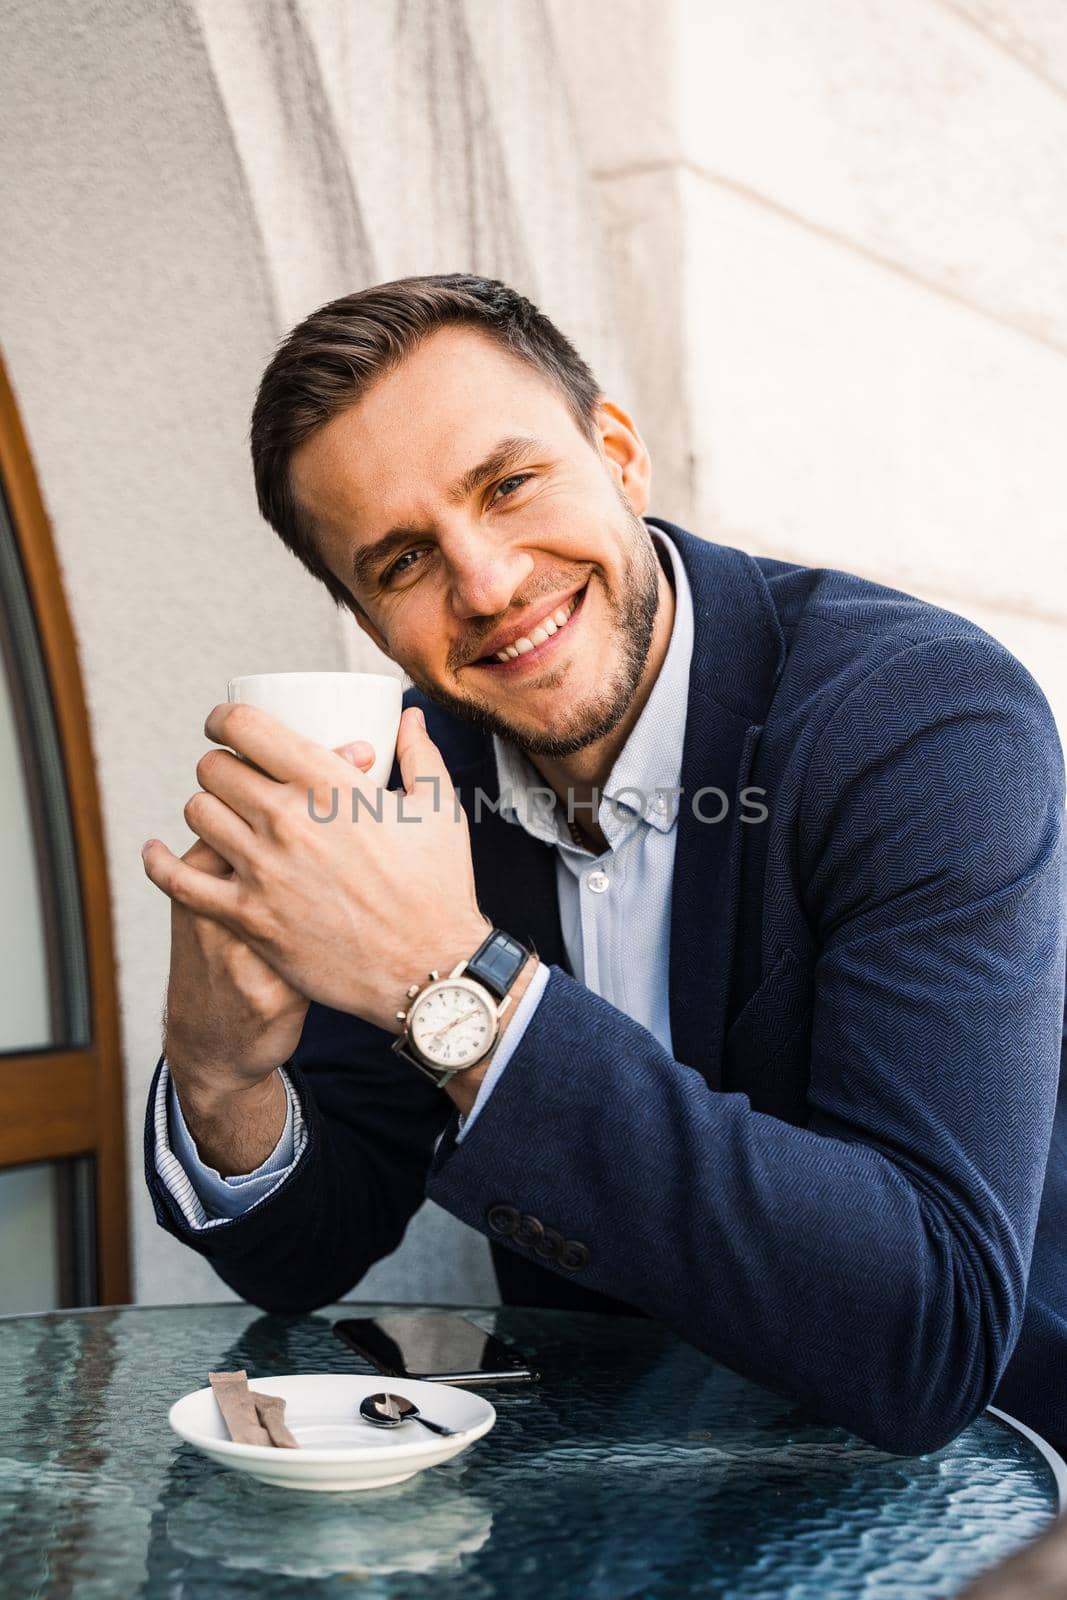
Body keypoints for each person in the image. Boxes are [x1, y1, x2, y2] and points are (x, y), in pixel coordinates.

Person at [142, 274, 1067, 1457]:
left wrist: (447, 980)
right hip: (610, 1485)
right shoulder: (413, 780)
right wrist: (224, 1080)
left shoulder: (921, 722)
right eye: (403, 561)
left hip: (977, 1483)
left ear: (618, 455)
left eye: (508, 484)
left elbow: (925, 1330)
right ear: (370, 626)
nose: (485, 582)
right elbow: (304, 1252)